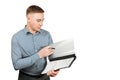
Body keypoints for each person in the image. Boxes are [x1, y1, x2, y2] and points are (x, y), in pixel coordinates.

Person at [11, 5, 60, 80]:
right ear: (28, 18)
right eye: (38, 20)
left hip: (45, 76)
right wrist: (39, 55)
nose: (41, 23)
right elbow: (16, 65)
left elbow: (53, 57)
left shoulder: (47, 35)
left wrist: (54, 69)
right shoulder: (16, 38)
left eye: (43, 20)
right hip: (25, 77)